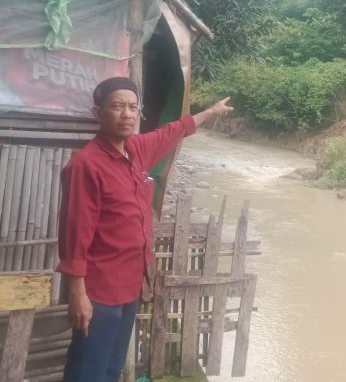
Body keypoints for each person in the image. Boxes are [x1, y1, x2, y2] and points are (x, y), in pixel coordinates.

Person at [56, 76, 233, 382]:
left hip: (129, 286)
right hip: (98, 291)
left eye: (132, 107)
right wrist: (77, 293)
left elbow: (172, 131)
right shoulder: (86, 166)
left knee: (110, 369)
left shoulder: (136, 150)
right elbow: (75, 234)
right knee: (88, 370)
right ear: (98, 113)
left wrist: (211, 112)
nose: (126, 114)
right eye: (116, 107)